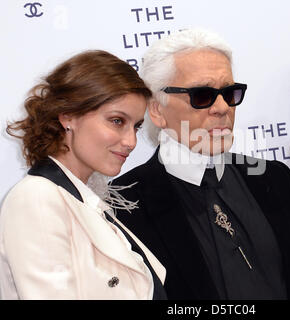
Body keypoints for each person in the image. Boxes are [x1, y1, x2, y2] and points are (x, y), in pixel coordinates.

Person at [113, 28, 290, 300]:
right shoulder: (123, 205)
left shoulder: (274, 179)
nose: (221, 107)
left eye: (229, 93)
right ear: (157, 109)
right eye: (202, 95)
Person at [0, 50, 166, 299]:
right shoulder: (37, 198)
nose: (131, 141)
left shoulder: (85, 199)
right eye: (117, 121)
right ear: (68, 116)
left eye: (136, 126)